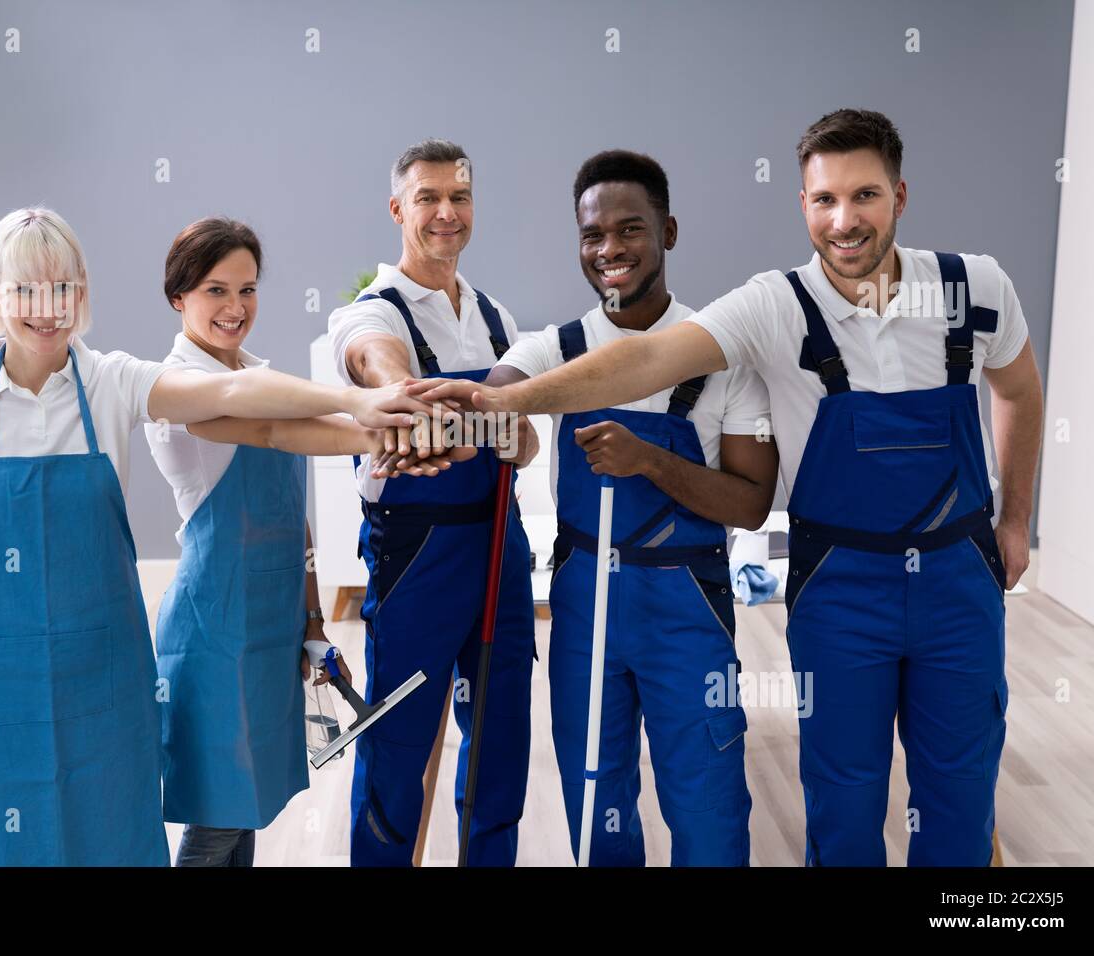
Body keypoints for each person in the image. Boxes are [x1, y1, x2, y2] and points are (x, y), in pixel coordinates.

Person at [412, 109, 1044, 867]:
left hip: (955, 584)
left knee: (960, 798)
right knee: (842, 801)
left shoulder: (974, 288)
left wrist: (1015, 522)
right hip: (836, 589)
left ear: (900, 196)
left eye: (865, 196)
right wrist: (494, 405)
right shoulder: (774, 306)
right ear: (803, 205)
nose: (845, 221)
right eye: (823, 201)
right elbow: (644, 361)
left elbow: (1020, 391)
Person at [0, 207, 434, 866]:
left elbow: (234, 389)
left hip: (105, 680)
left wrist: (359, 406)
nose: (47, 308)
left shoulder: (114, 382)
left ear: (83, 293)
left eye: (63, 288)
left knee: (113, 835)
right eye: (25, 289)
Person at [146, 216, 464, 866]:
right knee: (217, 816)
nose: (235, 308)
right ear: (178, 296)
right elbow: (274, 429)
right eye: (215, 290)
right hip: (211, 628)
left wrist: (313, 619)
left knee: (250, 807)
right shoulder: (176, 386)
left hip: (269, 623)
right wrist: (380, 430)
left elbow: (297, 520)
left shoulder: (265, 373)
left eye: (248, 289)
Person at [488, 151, 776, 865]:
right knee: (598, 804)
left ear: (669, 231)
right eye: (592, 235)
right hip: (586, 604)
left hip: (688, 608)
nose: (609, 250)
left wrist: (650, 460)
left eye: (630, 230)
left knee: (708, 809)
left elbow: (752, 503)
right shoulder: (555, 349)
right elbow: (497, 393)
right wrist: (505, 418)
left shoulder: (722, 357)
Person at [328, 139, 539, 866]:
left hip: (500, 552)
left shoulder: (494, 316)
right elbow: (382, 368)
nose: (446, 212)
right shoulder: (368, 313)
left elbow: (527, 443)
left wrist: (500, 429)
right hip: (418, 558)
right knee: (397, 748)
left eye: (460, 196)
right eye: (428, 198)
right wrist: (418, 398)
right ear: (398, 209)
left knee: (501, 744)